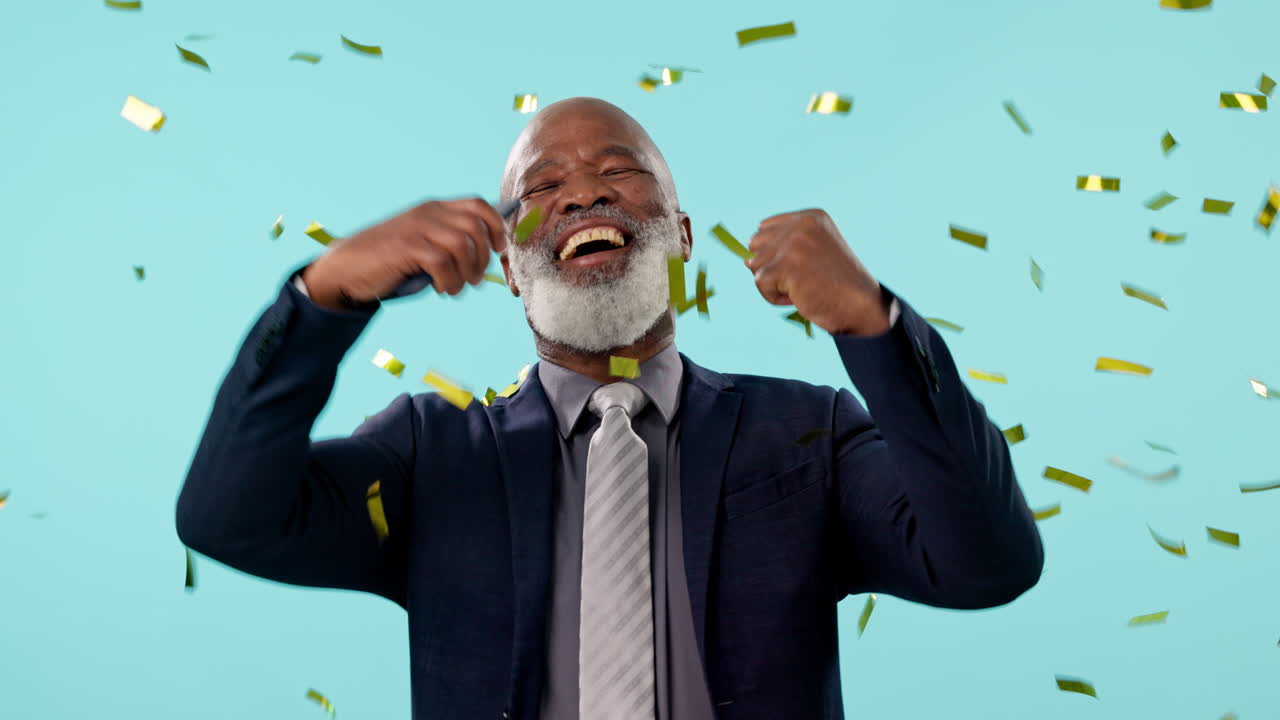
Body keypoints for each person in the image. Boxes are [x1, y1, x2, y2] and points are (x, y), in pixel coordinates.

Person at [175, 97, 1044, 720]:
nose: (584, 194)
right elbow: (226, 517)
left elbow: (987, 562)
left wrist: (875, 325)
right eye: (542, 187)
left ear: (683, 235)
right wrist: (322, 297)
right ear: (510, 269)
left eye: (618, 172)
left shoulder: (807, 433)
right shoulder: (429, 455)